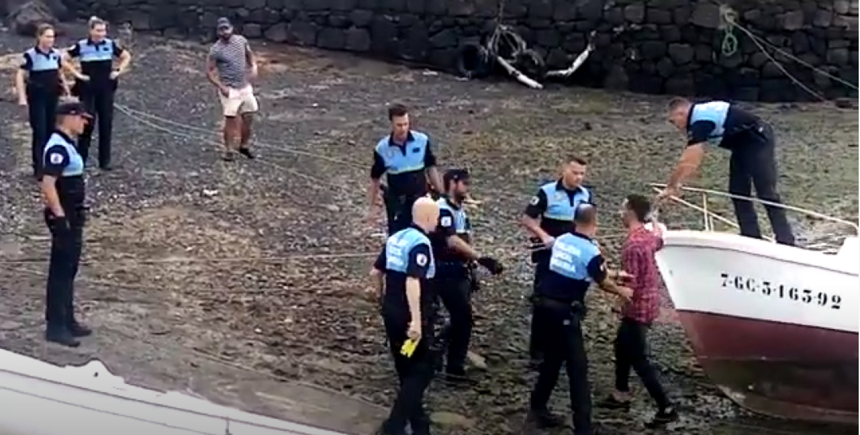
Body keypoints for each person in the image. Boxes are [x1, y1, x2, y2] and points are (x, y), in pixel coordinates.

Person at [526, 204, 633, 435]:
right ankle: (583, 426)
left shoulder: (561, 240)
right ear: (595, 224)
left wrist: (614, 274)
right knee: (578, 370)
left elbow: (584, 268)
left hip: (544, 308)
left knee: (552, 361)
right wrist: (622, 291)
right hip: (566, 313)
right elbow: (601, 280)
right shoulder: (592, 251)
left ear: (574, 221)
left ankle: (538, 405)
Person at [658, 97, 795, 246]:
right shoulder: (698, 118)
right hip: (741, 146)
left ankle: (786, 240)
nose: (675, 126)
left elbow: (690, 159)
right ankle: (751, 236)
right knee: (737, 191)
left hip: (758, 139)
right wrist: (679, 184)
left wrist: (672, 186)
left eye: (673, 121)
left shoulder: (700, 121)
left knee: (766, 192)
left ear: (681, 113)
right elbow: (692, 161)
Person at [598, 195, 678, 427]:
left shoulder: (633, 245)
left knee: (639, 357)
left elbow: (629, 287)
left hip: (638, 307)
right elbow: (659, 239)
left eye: (623, 209)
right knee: (621, 345)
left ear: (631, 212)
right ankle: (620, 392)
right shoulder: (648, 237)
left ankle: (665, 406)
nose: (619, 213)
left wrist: (611, 293)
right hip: (651, 302)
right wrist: (654, 219)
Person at [370, 197, 440, 435]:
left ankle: (420, 424)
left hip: (391, 310)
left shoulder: (395, 238)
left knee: (404, 365)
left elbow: (376, 271)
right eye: (437, 217)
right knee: (422, 370)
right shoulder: (421, 243)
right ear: (429, 218)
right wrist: (417, 320)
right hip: (409, 313)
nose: (438, 222)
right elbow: (413, 280)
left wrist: (381, 298)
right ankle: (394, 426)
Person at [431, 169, 504, 383]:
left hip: (459, 270)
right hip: (445, 271)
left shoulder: (460, 211)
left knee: (459, 319)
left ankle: (436, 354)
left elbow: (465, 240)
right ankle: (453, 368)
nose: (468, 187)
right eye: (464, 183)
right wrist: (481, 259)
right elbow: (451, 240)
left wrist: (472, 265)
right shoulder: (442, 209)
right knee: (463, 319)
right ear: (453, 183)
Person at [521, 156, 593, 367]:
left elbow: (588, 221)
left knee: (571, 301)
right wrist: (544, 236)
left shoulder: (585, 194)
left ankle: (562, 347)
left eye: (582, 174)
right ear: (564, 170)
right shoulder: (547, 192)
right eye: (574, 173)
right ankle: (537, 352)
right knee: (543, 301)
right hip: (549, 254)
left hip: (574, 254)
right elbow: (527, 218)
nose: (578, 177)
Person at [39, 101, 94, 347]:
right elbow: (48, 184)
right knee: (60, 271)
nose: (84, 123)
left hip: (74, 212)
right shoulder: (57, 147)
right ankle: (56, 325)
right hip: (65, 214)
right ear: (68, 118)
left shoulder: (67, 144)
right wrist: (59, 216)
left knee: (69, 268)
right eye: (81, 118)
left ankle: (67, 318)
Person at [16, 23, 85, 177]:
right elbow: (20, 75)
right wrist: (22, 97)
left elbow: (59, 72)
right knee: (40, 131)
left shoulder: (55, 54)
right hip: (37, 96)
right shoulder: (31, 55)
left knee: (52, 130)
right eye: (47, 36)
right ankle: (39, 167)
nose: (50, 40)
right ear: (39, 37)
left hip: (53, 95)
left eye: (52, 37)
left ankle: (50, 164)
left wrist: (66, 89)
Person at [65, 16, 132, 171]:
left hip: (106, 88)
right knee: (87, 123)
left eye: (103, 30)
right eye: (98, 30)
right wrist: (77, 74)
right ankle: (81, 160)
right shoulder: (81, 45)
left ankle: (105, 161)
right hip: (87, 88)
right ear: (91, 30)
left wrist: (118, 71)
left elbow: (126, 56)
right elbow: (64, 59)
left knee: (106, 123)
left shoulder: (109, 45)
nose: (101, 34)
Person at [369, 104, 444, 235]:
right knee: (398, 234)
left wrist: (440, 191)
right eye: (399, 125)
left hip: (420, 198)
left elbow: (430, 166)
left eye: (406, 124)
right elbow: (375, 177)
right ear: (391, 124)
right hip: (398, 201)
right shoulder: (382, 148)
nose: (403, 129)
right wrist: (373, 203)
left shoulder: (422, 140)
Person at [206, 17, 259, 161]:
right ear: (217, 31)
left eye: (226, 28)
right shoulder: (216, 49)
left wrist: (253, 66)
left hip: (245, 87)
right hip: (230, 89)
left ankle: (244, 146)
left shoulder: (241, 41)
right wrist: (221, 86)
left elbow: (250, 55)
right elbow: (209, 71)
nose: (224, 32)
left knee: (249, 116)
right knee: (230, 119)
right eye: (221, 29)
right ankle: (228, 150)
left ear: (232, 28)